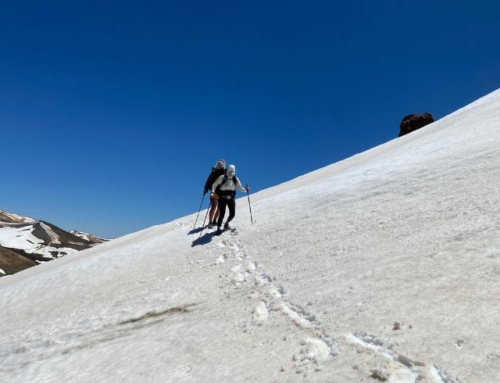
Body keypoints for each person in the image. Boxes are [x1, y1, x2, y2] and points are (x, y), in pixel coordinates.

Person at [211, 164, 249, 235]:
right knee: (222, 213)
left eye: (232, 173)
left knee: (232, 214)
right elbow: (214, 185)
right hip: (222, 198)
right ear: (228, 171)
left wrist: (246, 190)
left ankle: (226, 223)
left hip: (231, 198)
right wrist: (213, 191)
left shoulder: (235, 179)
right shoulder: (222, 177)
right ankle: (218, 229)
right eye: (230, 172)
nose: (231, 174)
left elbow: (240, 187)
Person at [204, 159, 227, 228]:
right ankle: (210, 222)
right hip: (214, 191)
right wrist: (206, 189)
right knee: (214, 206)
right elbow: (209, 180)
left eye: (221, 163)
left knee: (219, 207)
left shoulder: (225, 172)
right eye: (219, 163)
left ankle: (214, 220)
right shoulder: (214, 172)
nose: (220, 165)